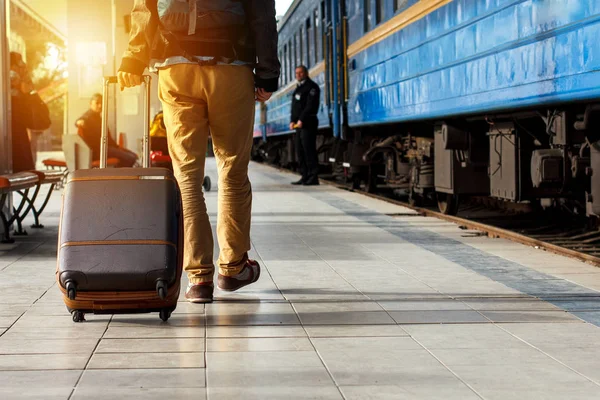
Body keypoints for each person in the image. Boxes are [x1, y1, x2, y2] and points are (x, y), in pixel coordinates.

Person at [117, 0, 280, 303]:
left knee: (187, 178)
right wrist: (268, 70)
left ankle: (199, 278)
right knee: (232, 170)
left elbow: (144, 7)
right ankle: (232, 268)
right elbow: (261, 13)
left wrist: (133, 58)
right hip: (231, 67)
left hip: (176, 67)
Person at [9, 52, 51, 173]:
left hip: (19, 139)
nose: (22, 71)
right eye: (18, 67)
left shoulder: (24, 90)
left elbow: (39, 119)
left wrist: (28, 92)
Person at [75, 94, 138, 167]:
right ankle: (117, 175)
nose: (100, 105)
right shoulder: (88, 116)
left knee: (133, 156)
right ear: (91, 104)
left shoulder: (99, 118)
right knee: (130, 158)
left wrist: (118, 148)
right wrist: (78, 122)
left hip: (106, 148)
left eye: (101, 103)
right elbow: (80, 120)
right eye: (97, 103)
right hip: (97, 151)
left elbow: (109, 139)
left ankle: (117, 174)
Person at [290, 65, 321, 186]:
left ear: (306, 73)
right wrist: (292, 120)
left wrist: (302, 119)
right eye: (296, 73)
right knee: (300, 151)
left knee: (309, 151)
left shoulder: (312, 87)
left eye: (300, 73)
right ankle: (304, 176)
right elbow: (294, 107)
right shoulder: (298, 88)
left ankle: (313, 177)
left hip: (308, 123)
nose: (298, 75)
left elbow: (310, 105)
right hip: (298, 125)